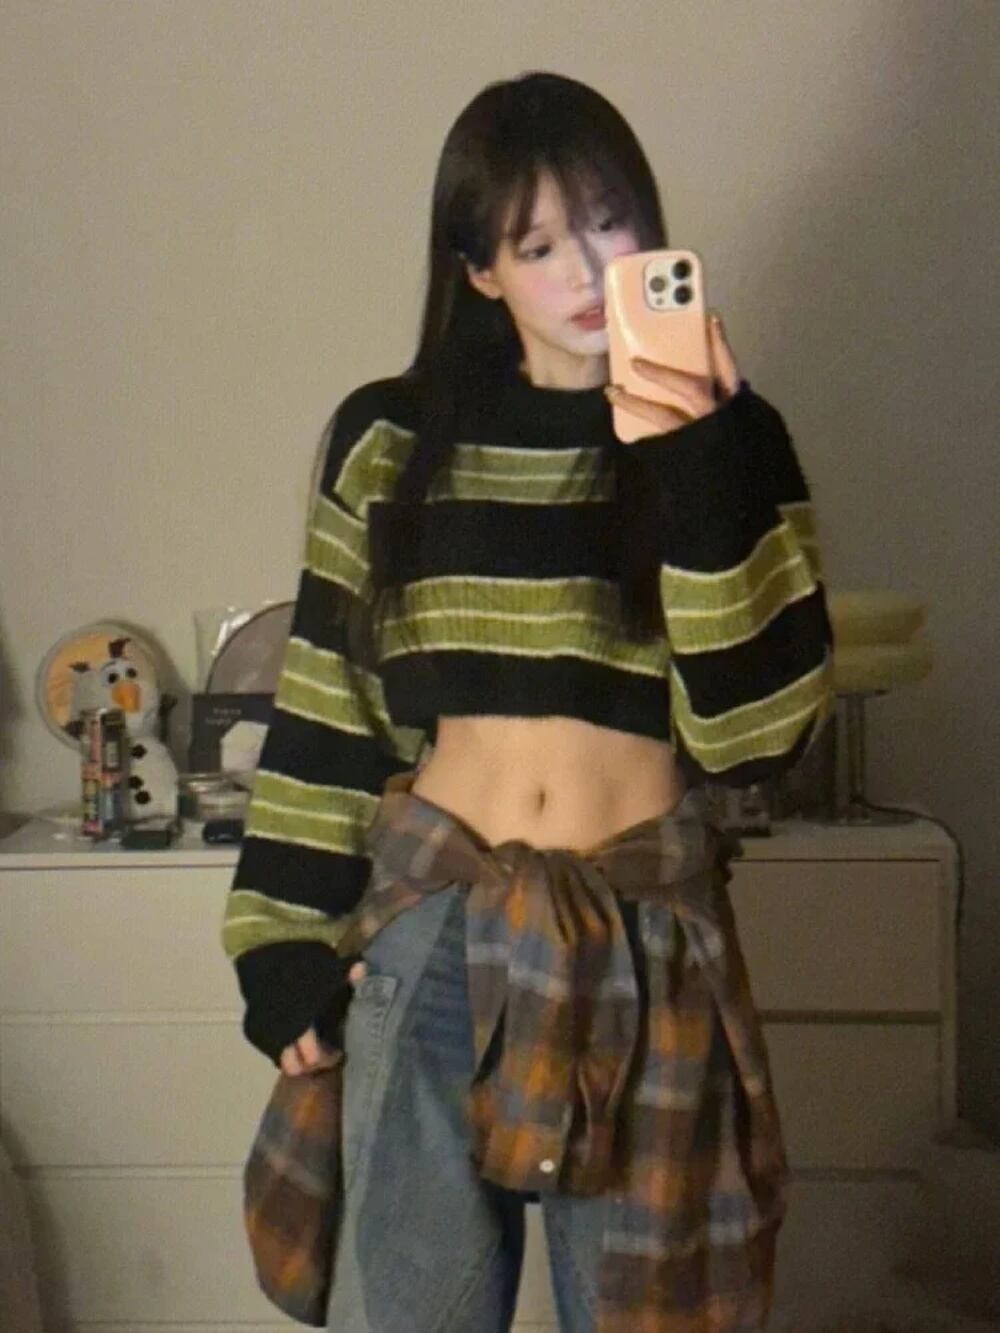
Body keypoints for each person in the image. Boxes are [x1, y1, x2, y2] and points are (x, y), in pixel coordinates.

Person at [223, 71, 834, 1333]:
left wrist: (697, 459)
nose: (586, 267)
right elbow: (331, 708)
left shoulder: (734, 437)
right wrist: (279, 946)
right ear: (479, 271)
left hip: (642, 937)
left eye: (609, 222)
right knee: (416, 1311)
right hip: (434, 926)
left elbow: (755, 737)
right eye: (538, 243)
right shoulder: (389, 439)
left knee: (649, 1315)